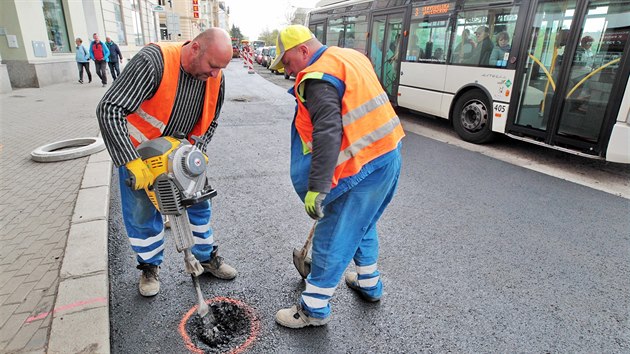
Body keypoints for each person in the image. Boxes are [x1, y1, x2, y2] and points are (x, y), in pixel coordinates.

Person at [268, 25, 404, 328]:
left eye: (288, 62)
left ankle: (313, 309)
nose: (288, 71)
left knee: (334, 233)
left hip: (357, 170)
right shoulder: (350, 56)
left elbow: (328, 132)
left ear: (303, 50)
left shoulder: (318, 76)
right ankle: (368, 282)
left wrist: (317, 187)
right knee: (361, 223)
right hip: (387, 154)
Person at [96, 28, 237, 298]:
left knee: (198, 205)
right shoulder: (154, 62)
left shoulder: (215, 77)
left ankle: (206, 258)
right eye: (212, 66)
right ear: (195, 48)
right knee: (142, 213)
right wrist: (129, 159)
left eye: (220, 69)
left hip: (182, 154)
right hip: (140, 155)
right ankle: (149, 266)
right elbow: (109, 108)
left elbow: (212, 119)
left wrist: (201, 148)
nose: (215, 74)